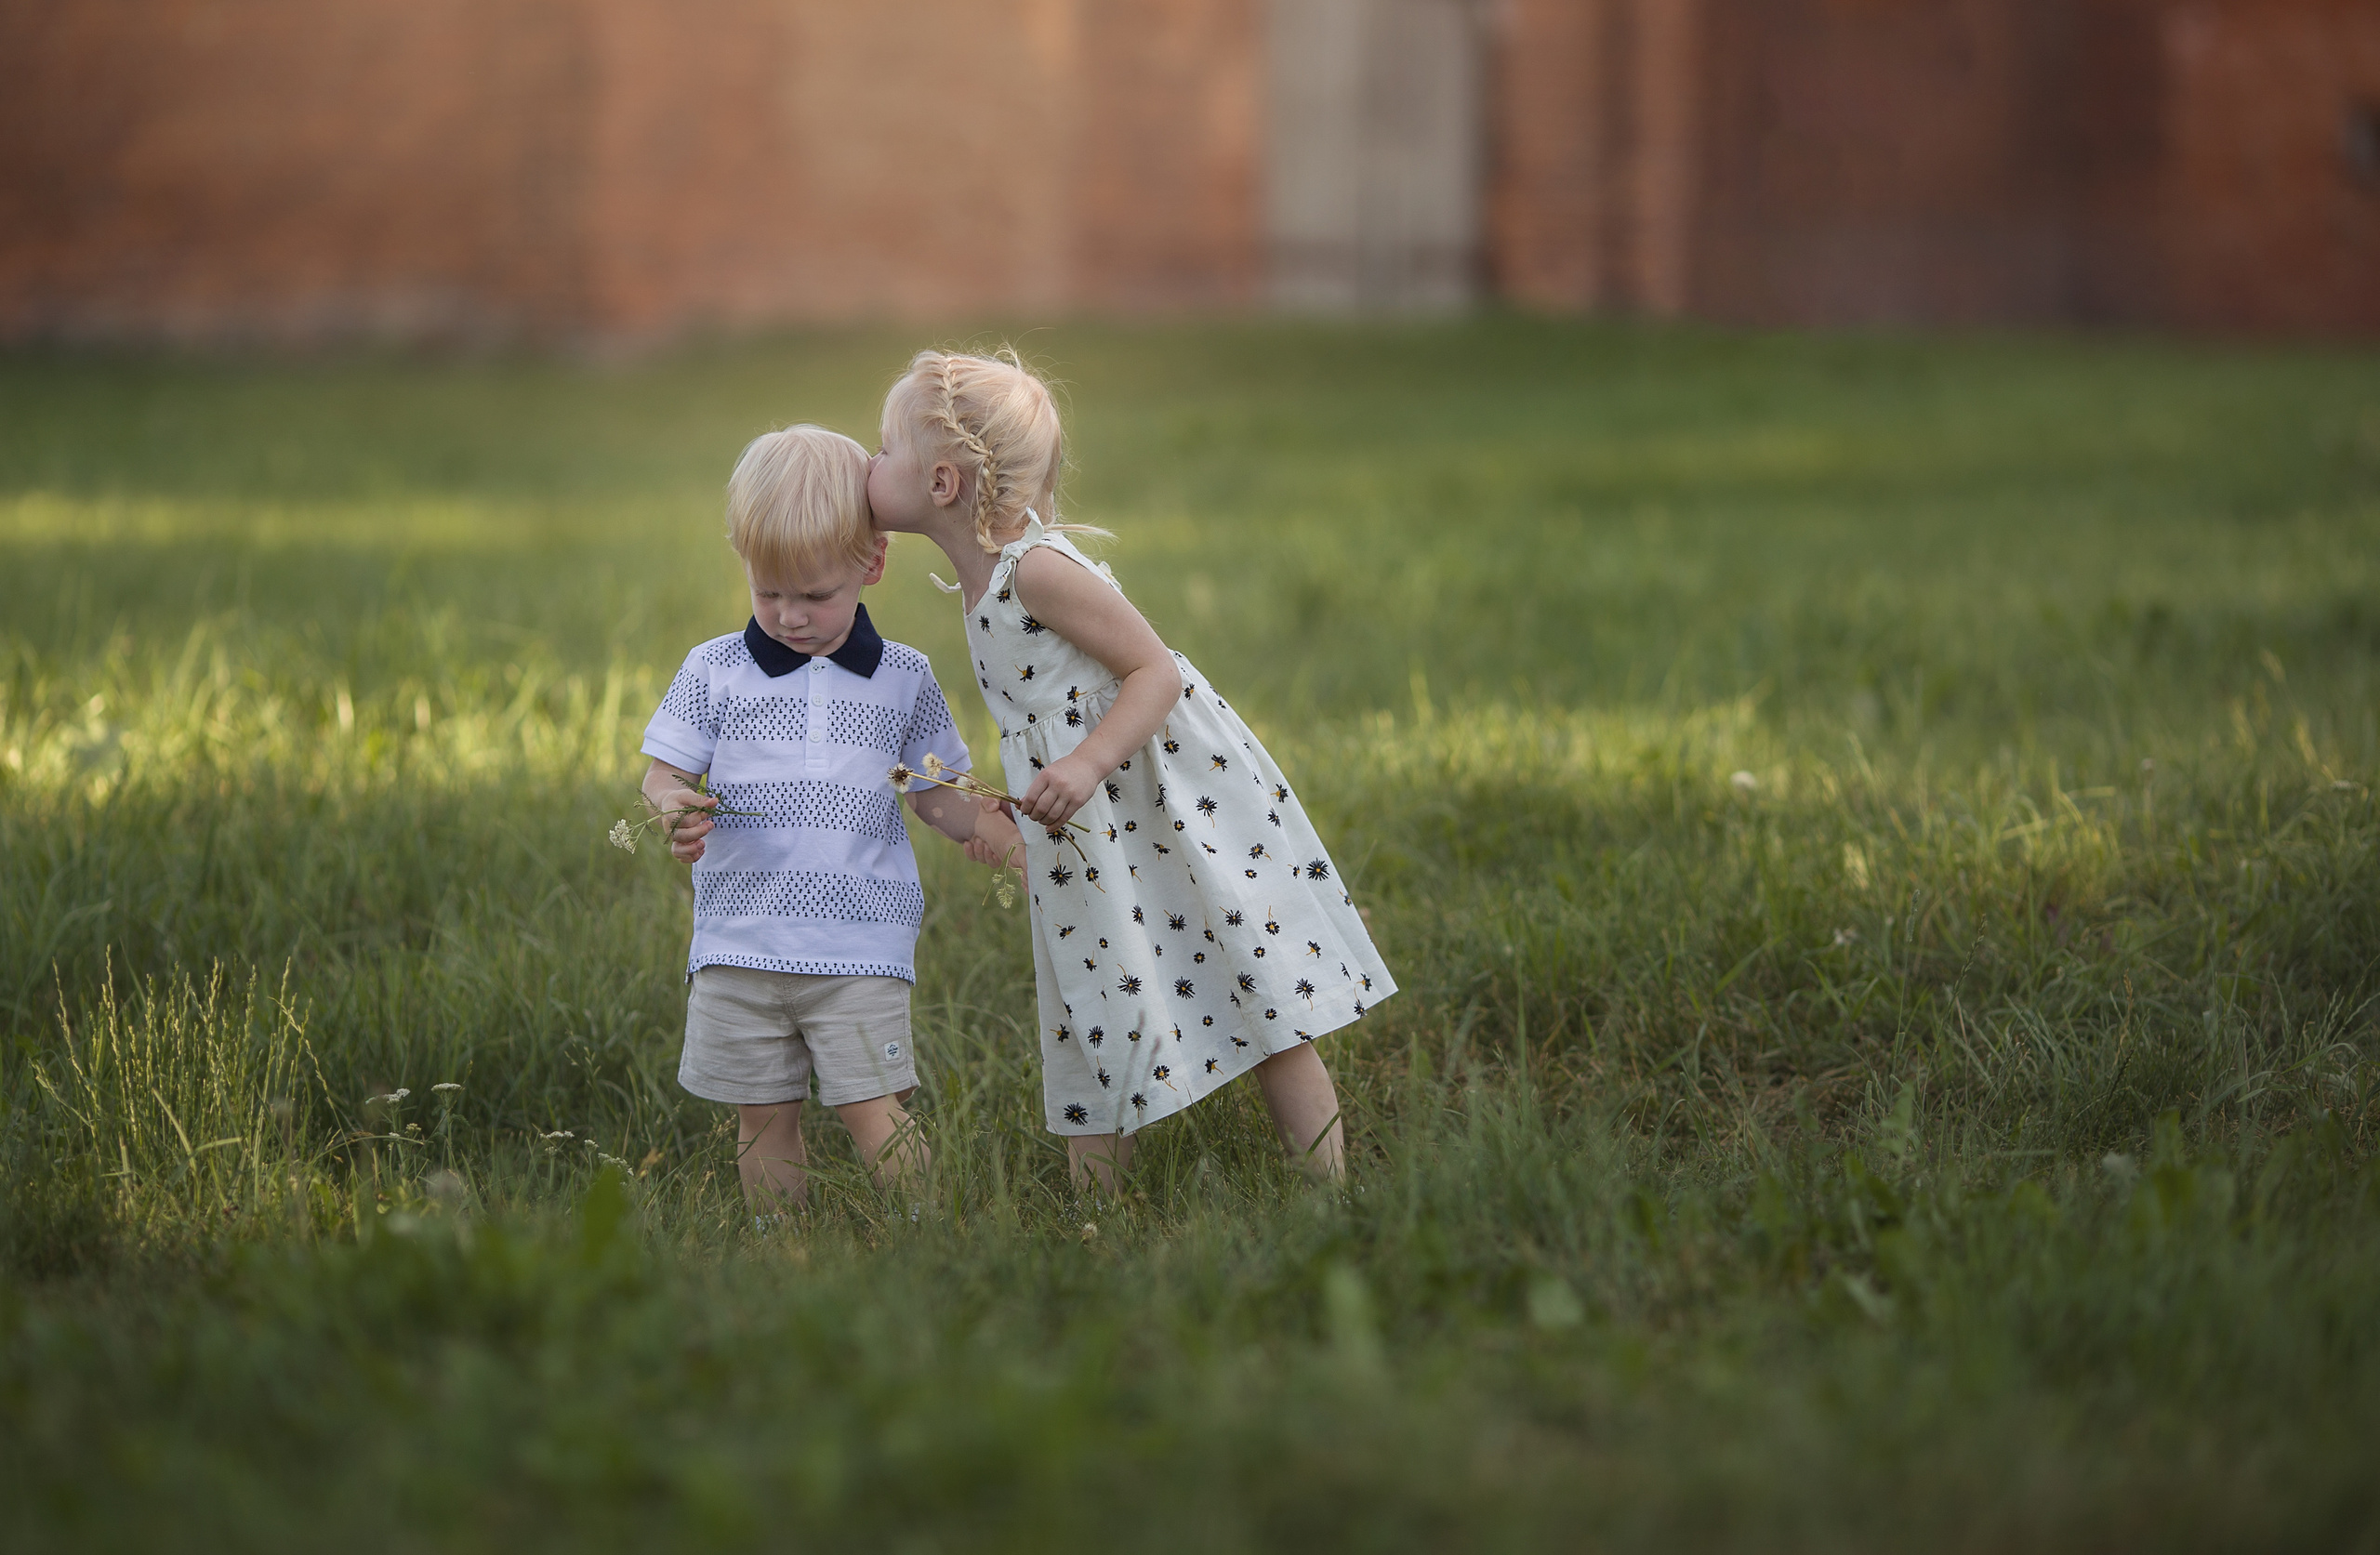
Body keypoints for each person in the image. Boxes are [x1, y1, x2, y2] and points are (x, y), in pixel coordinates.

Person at [866, 349, 1395, 1190]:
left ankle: (1334, 1186)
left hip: (1159, 808)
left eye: (882, 448)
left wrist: (1082, 762)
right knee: (1091, 994)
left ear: (940, 485)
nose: (868, 464)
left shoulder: (1035, 570)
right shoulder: (978, 585)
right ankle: (1098, 1219)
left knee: (1250, 981)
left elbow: (1157, 672)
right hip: (1092, 827)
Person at [639, 424, 995, 1214]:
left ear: (871, 564)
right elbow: (663, 774)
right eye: (769, 593)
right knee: (762, 1115)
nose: (790, 617)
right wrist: (673, 807)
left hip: (860, 947)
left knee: (873, 1106)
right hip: (740, 943)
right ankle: (782, 1248)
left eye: (815, 595)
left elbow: (935, 792)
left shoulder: (902, 678)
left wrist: (997, 833)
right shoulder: (715, 670)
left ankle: (931, 1236)